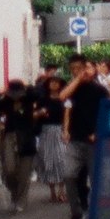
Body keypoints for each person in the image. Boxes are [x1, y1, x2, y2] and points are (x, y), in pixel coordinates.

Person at [62, 53, 109, 219]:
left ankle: (98, 215)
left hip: (93, 141)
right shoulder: (72, 89)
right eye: (73, 69)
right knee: (68, 175)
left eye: (80, 69)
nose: (77, 72)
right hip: (76, 139)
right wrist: (66, 129)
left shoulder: (99, 90)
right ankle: (76, 211)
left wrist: (98, 132)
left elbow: (107, 111)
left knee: (96, 179)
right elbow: (63, 98)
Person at [0, 77, 39, 213]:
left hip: (27, 137)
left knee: (24, 172)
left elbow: (39, 94)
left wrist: (28, 87)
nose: (16, 97)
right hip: (10, 136)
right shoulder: (6, 101)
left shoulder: (28, 98)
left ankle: (21, 200)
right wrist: (0, 93)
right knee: (9, 169)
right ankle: (14, 192)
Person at [33, 73, 68, 203]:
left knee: (61, 159)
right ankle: (52, 191)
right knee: (48, 161)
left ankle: (61, 190)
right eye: (52, 82)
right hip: (46, 131)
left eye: (56, 82)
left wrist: (66, 130)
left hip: (60, 130)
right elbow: (34, 115)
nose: (54, 84)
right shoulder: (43, 99)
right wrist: (40, 113)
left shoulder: (64, 98)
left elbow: (68, 115)